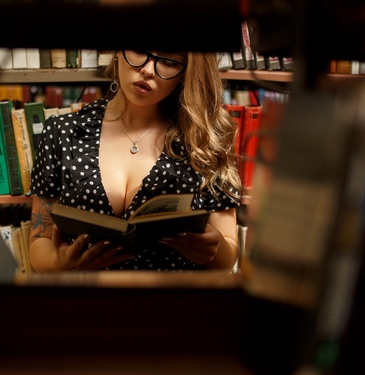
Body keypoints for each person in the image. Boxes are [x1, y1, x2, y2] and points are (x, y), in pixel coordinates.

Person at [28, 50, 243, 272]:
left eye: (169, 61)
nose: (148, 71)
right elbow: (39, 240)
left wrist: (214, 251)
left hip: (173, 302)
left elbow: (228, 252)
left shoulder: (204, 139)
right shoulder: (62, 131)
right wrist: (60, 264)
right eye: (140, 51)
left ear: (186, 72)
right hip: (88, 301)